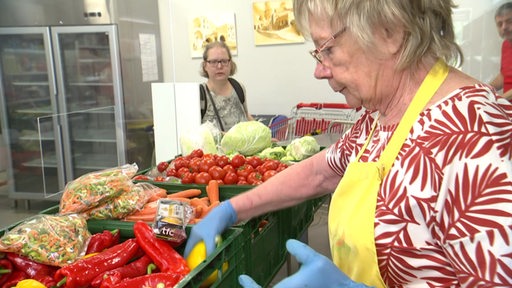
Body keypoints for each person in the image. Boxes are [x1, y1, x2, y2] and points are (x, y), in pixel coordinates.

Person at [185, 0, 512, 287]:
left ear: (390, 32)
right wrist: (230, 209)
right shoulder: (380, 115)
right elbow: (319, 172)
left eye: (327, 49)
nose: (318, 71)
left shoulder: (478, 136)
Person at [199, 41, 254, 132]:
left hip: (244, 145)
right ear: (205, 66)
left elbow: (246, 115)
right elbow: (195, 133)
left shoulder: (238, 87)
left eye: (224, 61)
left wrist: (265, 135)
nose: (220, 66)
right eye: (213, 62)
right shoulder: (200, 95)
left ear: (230, 63)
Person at [490, 2, 512, 100]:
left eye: (509, 21)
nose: (504, 27)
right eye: (500, 24)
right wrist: (484, 89)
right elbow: (505, 76)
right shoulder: (506, 44)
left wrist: (499, 101)